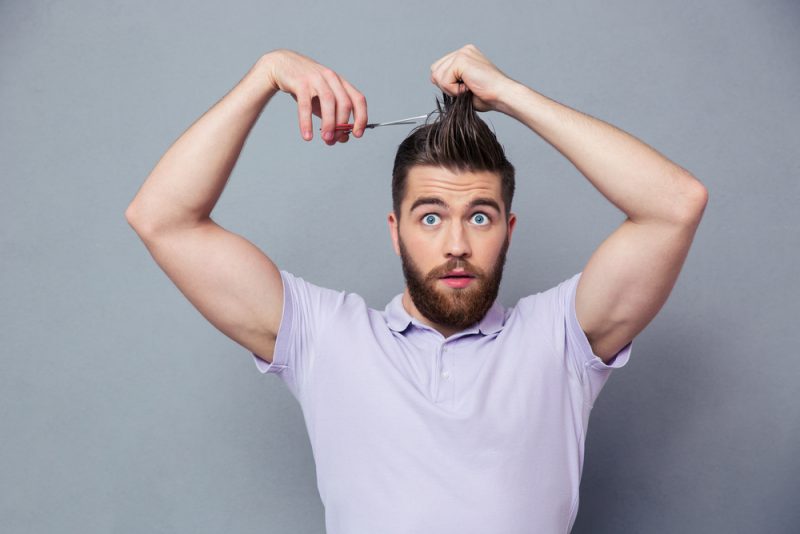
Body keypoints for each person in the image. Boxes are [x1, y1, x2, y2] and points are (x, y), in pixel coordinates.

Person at [125, 45, 708, 534]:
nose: (456, 243)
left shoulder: (562, 340)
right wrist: (265, 73)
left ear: (507, 231)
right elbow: (163, 219)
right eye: (430, 217)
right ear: (395, 232)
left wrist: (509, 95)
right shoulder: (324, 338)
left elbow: (674, 205)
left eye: (479, 217)